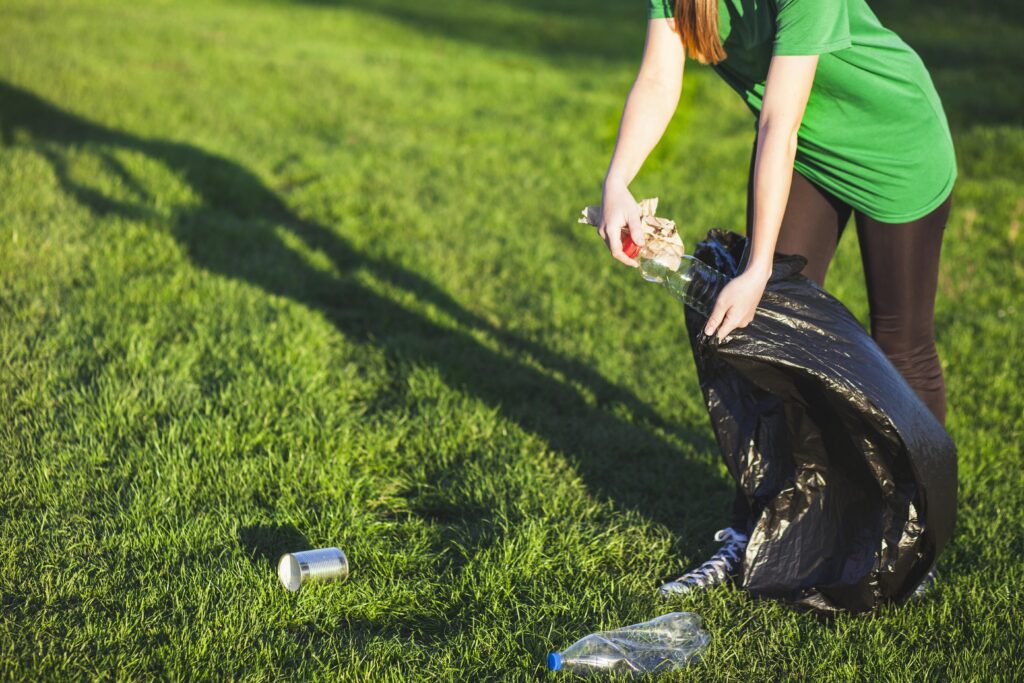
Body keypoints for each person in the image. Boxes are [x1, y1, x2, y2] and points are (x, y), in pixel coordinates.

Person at [595, 0, 956, 596]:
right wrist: (617, 183)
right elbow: (660, 77)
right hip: (809, 149)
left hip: (893, 144)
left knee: (902, 343)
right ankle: (750, 531)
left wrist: (759, 265)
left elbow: (776, 123)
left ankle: (917, 549)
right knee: (763, 334)